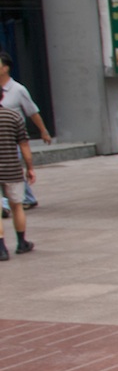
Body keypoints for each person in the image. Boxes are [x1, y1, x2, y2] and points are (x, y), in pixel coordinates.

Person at [0, 52, 50, 213]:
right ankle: (17, 200)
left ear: (6, 68)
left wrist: (43, 131)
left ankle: (17, 201)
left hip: (13, 138)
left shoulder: (18, 90)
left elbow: (32, 112)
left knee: (12, 171)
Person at [0, 101, 36, 259]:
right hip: (12, 169)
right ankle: (21, 243)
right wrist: (30, 168)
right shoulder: (13, 116)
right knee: (17, 206)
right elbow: (24, 145)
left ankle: (1, 249)